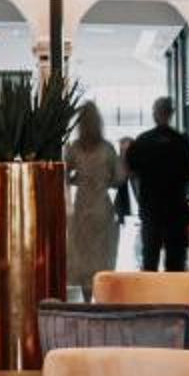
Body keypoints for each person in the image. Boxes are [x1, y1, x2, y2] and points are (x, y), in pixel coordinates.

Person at [124, 97, 189, 271]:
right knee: (176, 263)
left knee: (150, 260)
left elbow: (130, 172)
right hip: (176, 210)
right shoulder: (182, 141)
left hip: (151, 210)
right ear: (171, 113)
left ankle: (152, 289)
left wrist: (140, 198)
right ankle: (174, 289)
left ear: (154, 114)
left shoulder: (142, 141)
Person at [63, 102, 126, 293]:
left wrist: (77, 179)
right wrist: (104, 181)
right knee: (101, 255)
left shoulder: (75, 148)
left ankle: (86, 295)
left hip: (82, 207)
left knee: (83, 255)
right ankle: (100, 295)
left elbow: (63, 174)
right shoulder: (106, 148)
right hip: (101, 207)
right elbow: (119, 178)